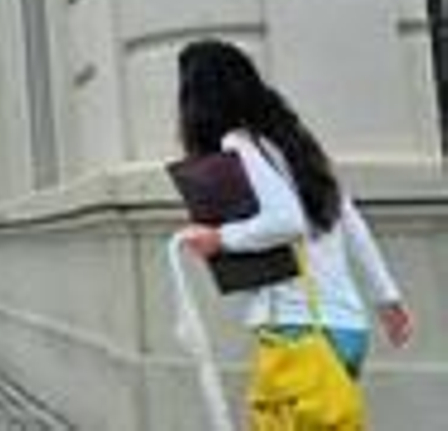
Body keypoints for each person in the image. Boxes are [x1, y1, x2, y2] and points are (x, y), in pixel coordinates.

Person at [175, 39, 413, 383]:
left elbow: (287, 221)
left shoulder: (238, 144)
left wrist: (221, 238)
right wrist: (387, 297)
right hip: (347, 327)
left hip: (297, 330)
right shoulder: (295, 145)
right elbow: (351, 223)